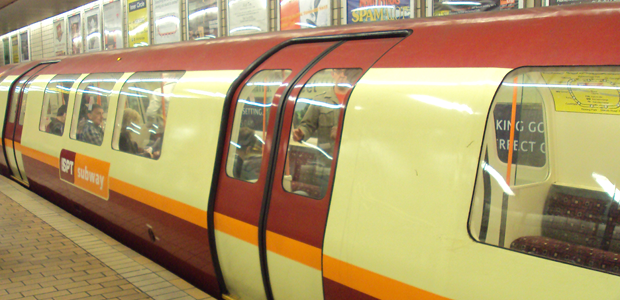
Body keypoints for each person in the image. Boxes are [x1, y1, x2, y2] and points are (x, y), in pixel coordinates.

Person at [292, 68, 360, 154]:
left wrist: (344, 133)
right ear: (333, 74)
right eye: (339, 71)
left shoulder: (358, 100)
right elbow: (308, 125)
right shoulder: (320, 100)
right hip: (325, 160)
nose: (342, 75)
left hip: (351, 155)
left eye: (346, 72)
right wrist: (301, 134)